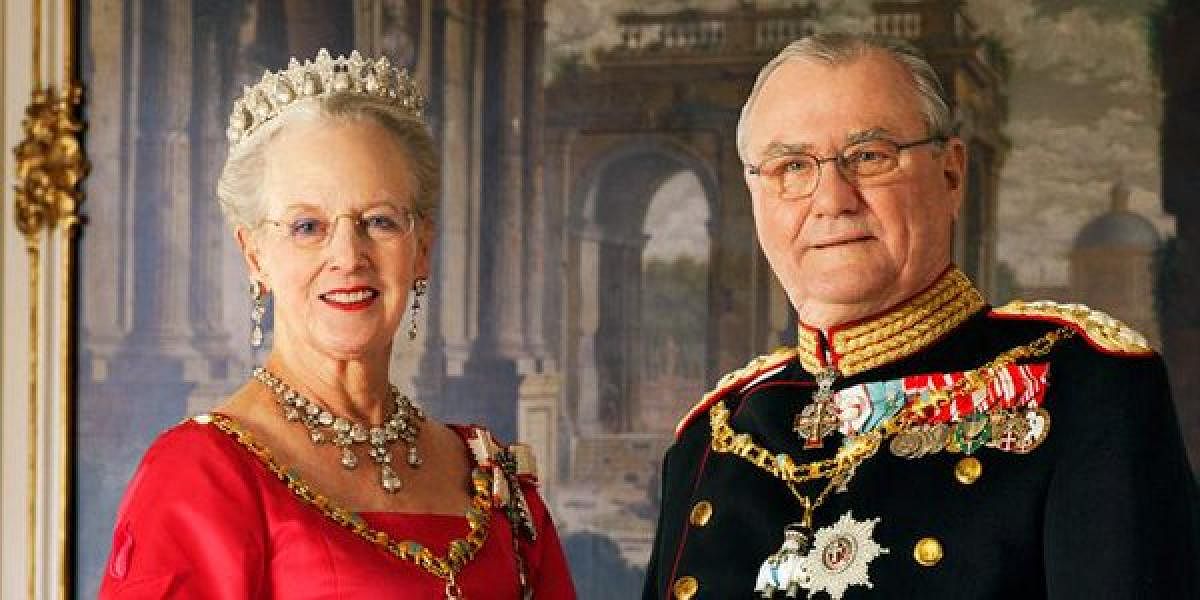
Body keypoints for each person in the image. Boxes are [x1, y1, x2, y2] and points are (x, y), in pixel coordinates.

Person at [643, 32, 1198, 600]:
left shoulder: (1085, 388)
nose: (832, 199)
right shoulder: (712, 438)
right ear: (756, 194)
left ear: (951, 173)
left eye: (869, 157)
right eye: (792, 166)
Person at [99, 49, 575, 599]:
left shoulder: (491, 480)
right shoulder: (200, 476)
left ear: (421, 248)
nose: (348, 256)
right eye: (308, 226)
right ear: (255, 255)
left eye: (379, 221)